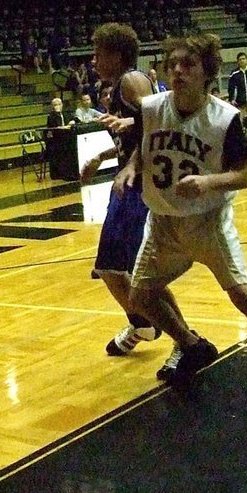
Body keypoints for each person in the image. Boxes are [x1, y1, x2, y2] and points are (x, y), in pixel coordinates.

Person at [116, 33, 247, 419]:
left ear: (207, 74)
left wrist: (208, 182)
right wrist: (128, 168)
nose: (177, 70)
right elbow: (137, 152)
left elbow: (243, 176)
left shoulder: (224, 119)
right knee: (140, 297)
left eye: (187, 64)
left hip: (208, 222)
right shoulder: (150, 109)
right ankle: (192, 345)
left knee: (243, 296)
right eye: (172, 63)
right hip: (163, 224)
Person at [80, 23, 187, 363]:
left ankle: (185, 340)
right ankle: (143, 325)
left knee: (143, 274)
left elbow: (163, 116)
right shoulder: (117, 87)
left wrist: (128, 124)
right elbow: (138, 135)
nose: (94, 60)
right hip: (125, 184)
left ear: (117, 55)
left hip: (141, 187)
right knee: (111, 269)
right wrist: (102, 155)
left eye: (99, 54)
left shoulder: (131, 80)